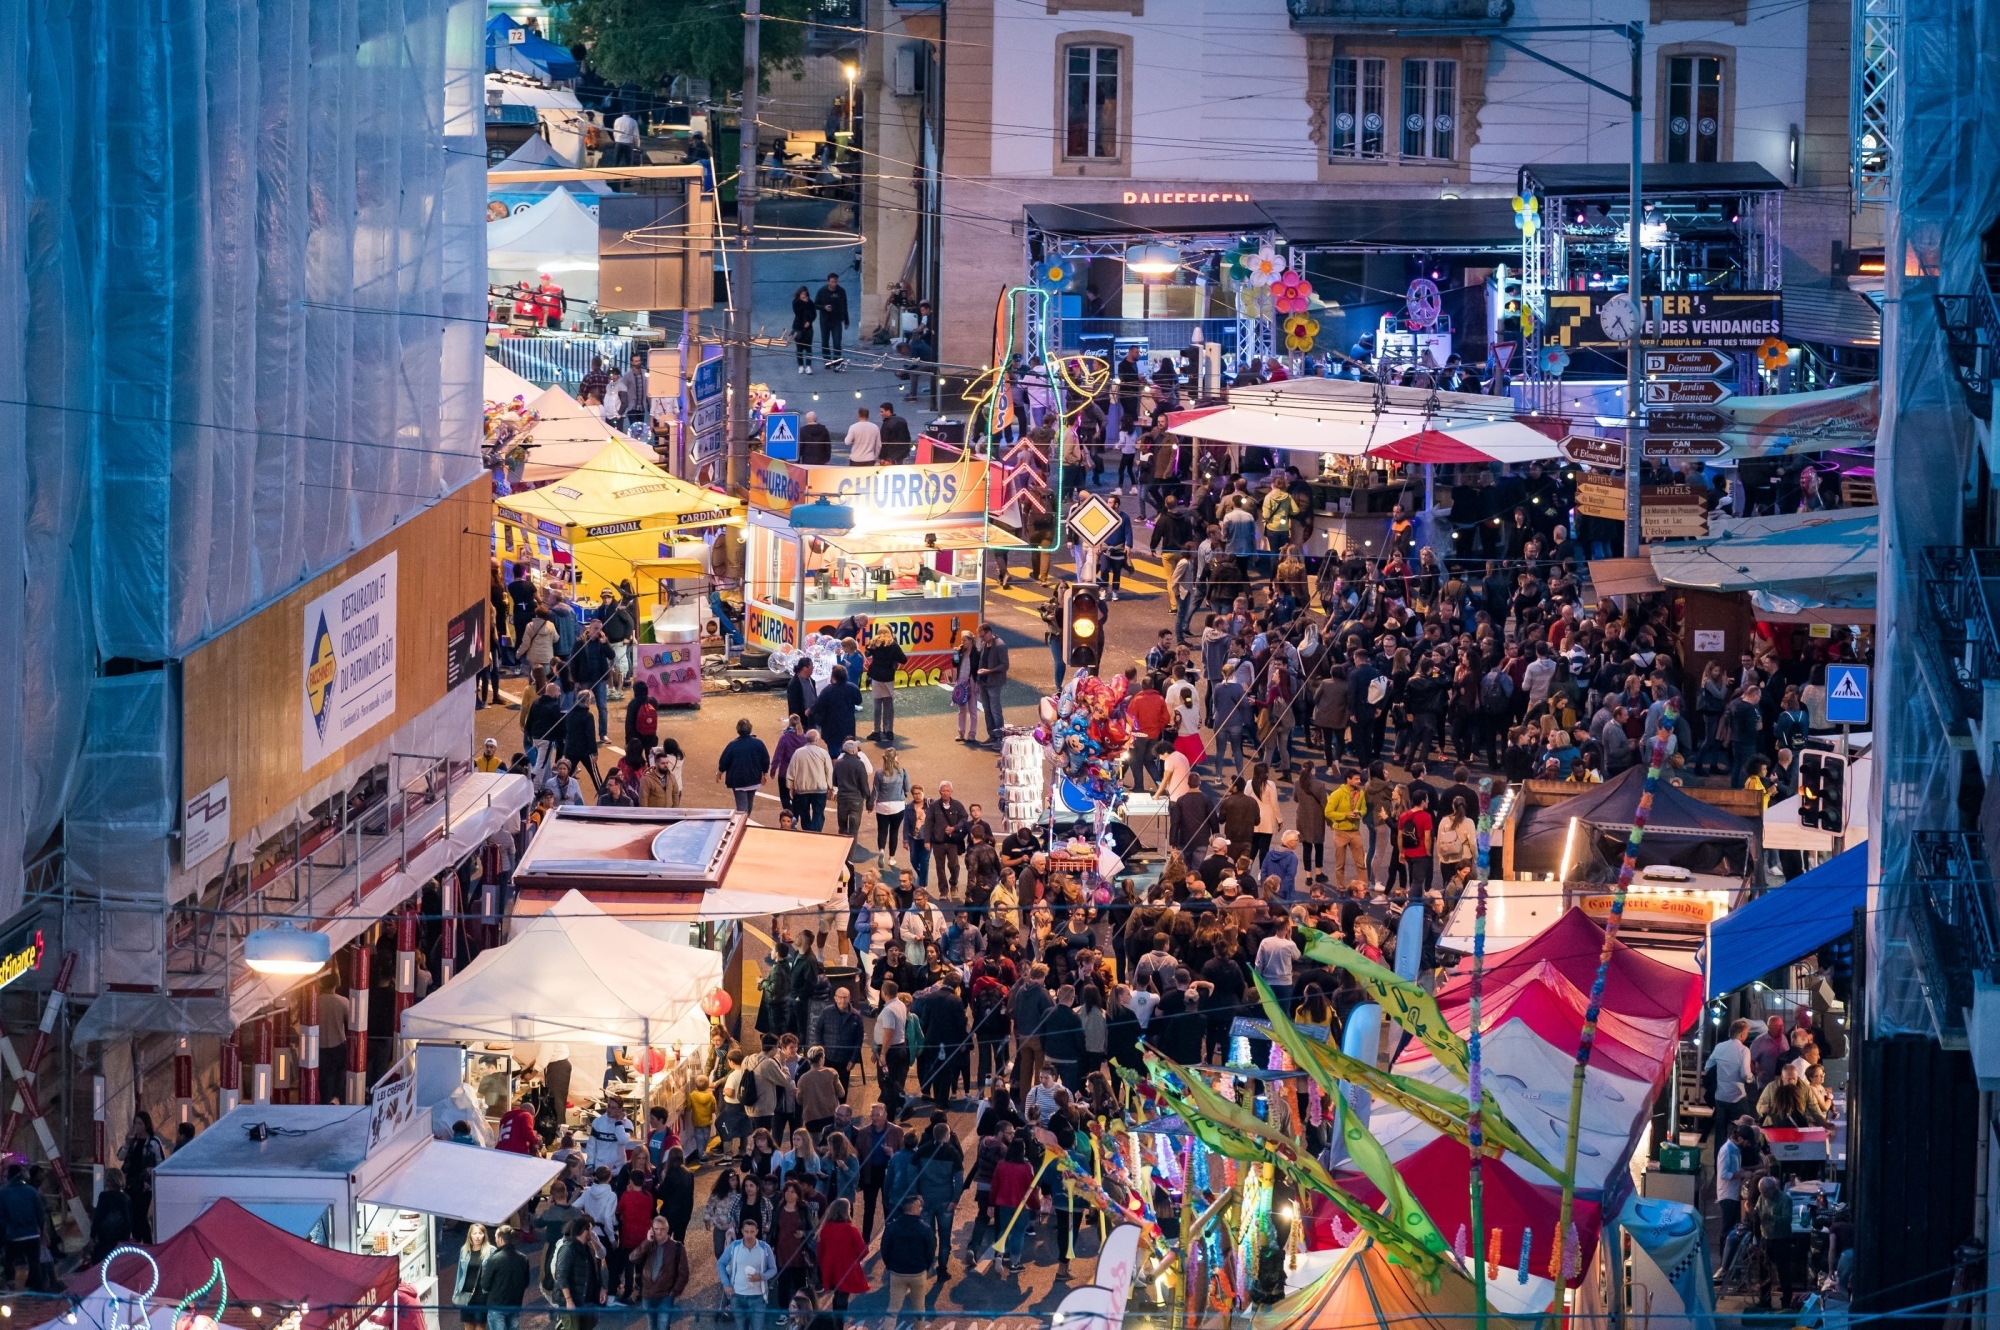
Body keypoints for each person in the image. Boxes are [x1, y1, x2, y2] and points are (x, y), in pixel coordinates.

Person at [881, 1194, 936, 1330]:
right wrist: (926, 1267)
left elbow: (885, 1249)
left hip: (897, 1273)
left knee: (893, 1308)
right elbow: (930, 1251)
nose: (921, 1209)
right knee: (919, 1308)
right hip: (917, 1273)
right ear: (912, 1208)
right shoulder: (925, 1229)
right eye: (919, 1206)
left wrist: (890, 1265)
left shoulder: (892, 1227)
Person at [717, 1216, 778, 1330]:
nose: (749, 1235)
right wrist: (726, 1283)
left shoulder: (765, 1248)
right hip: (737, 1296)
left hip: (758, 1298)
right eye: (746, 1232)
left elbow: (773, 1269)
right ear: (742, 1232)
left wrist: (761, 1276)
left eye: (752, 1232)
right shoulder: (734, 1246)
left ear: (757, 1232)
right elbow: (721, 1263)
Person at [1704, 1018, 1757, 1147]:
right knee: (1743, 1131)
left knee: (1720, 1132)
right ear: (1742, 1034)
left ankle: (1719, 1162)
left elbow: (1707, 1067)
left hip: (1720, 1096)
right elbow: (1745, 1074)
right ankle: (1739, 1160)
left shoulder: (1719, 1047)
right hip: (1737, 1096)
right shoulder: (1744, 1050)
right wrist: (1751, 1078)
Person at [631, 1214, 689, 1330]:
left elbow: (684, 1273)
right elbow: (633, 1258)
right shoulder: (648, 1245)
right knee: (652, 1326)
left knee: (663, 1326)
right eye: (656, 1229)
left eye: (662, 1229)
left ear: (667, 1230)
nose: (659, 1232)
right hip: (648, 1295)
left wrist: (673, 1292)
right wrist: (647, 1241)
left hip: (665, 1296)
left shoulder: (677, 1247)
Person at [816, 1197, 870, 1315]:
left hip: (830, 1265)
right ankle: (839, 1322)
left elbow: (820, 1250)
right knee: (843, 1295)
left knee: (836, 1292)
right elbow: (863, 1250)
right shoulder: (850, 1229)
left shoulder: (825, 1228)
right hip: (847, 1266)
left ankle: (836, 1319)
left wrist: (822, 1264)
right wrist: (854, 1260)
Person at [120, 1111, 167, 1243]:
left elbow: (161, 1163)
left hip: (145, 1185)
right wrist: (127, 1144)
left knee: (141, 1215)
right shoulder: (133, 1142)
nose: (137, 1126)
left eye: (140, 1123)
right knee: (132, 1215)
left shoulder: (153, 1142)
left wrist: (150, 1171)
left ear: (146, 1125)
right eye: (135, 1123)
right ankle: (136, 1240)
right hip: (131, 1183)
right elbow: (120, 1157)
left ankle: (148, 1243)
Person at [476, 1226, 533, 1330]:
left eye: (496, 1237)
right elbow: (526, 1282)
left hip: (497, 1305)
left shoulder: (494, 1259)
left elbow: (485, 1285)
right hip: (515, 1303)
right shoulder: (523, 1258)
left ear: (500, 1239)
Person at [717, 719, 771, 814]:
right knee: (749, 806)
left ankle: (742, 825)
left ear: (738, 730)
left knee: (742, 809)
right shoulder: (759, 743)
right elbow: (765, 759)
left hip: (739, 781)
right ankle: (745, 822)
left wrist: (720, 772)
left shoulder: (733, 745)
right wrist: (765, 773)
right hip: (754, 779)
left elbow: (724, 760)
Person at [786, 730, 833, 833]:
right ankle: (815, 833)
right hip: (819, 789)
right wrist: (830, 787)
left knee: (804, 813)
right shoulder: (823, 753)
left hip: (802, 789)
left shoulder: (798, 752)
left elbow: (791, 770)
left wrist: (790, 786)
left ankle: (808, 832)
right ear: (817, 739)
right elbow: (829, 771)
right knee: (818, 813)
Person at [866, 633, 908, 741]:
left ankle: (876, 731)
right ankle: (888, 731)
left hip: (876, 676)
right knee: (888, 704)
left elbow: (867, 653)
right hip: (889, 677)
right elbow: (903, 659)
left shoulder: (875, 643)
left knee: (877, 704)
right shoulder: (893, 645)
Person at [811, 666, 864, 752]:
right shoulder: (853, 687)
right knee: (849, 752)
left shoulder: (828, 690)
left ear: (833, 677)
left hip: (832, 729)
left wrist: (809, 711)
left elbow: (817, 706)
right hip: (848, 727)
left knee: (834, 754)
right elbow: (859, 701)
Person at [975, 623, 1010, 743]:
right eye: (980, 637)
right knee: (987, 709)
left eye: (983, 636)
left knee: (995, 710)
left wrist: (989, 671)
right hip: (984, 682)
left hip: (994, 683)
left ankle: (999, 736)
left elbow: (1005, 665)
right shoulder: (985, 644)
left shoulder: (1000, 645)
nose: (982, 638)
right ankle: (992, 735)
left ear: (989, 633)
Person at [815, 273, 850, 371]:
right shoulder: (822, 291)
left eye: (835, 282)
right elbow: (816, 304)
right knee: (825, 342)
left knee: (837, 342)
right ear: (828, 282)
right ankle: (827, 360)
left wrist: (846, 321)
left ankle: (837, 362)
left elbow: (845, 306)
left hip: (836, 320)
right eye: (832, 282)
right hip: (825, 321)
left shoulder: (841, 291)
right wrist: (824, 307)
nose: (834, 284)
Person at [791, 287, 817, 373]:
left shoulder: (810, 303)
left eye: (805, 294)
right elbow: (799, 313)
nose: (803, 296)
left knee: (808, 347)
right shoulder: (796, 303)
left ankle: (809, 366)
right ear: (799, 294)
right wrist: (805, 304)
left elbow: (814, 314)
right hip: (798, 327)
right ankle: (801, 365)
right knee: (799, 348)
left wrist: (809, 321)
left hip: (808, 328)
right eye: (802, 294)